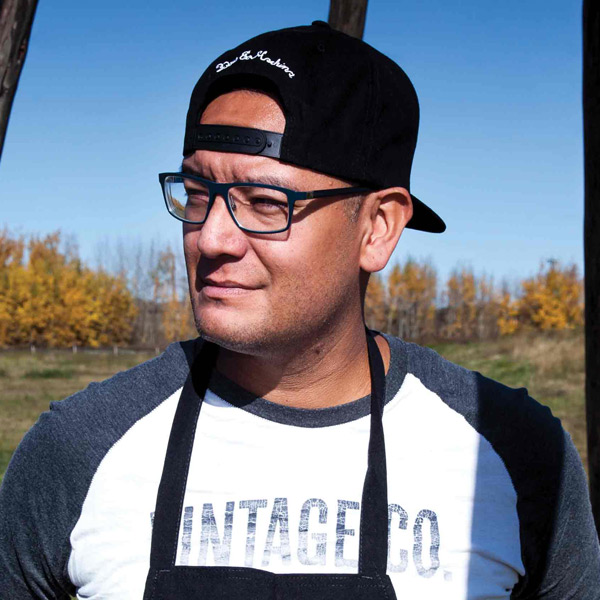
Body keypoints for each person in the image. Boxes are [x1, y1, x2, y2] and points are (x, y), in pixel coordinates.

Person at [0, 20, 598, 600]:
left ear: (379, 229)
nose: (211, 239)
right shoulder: (78, 450)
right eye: (198, 194)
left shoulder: (511, 455)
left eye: (264, 202)